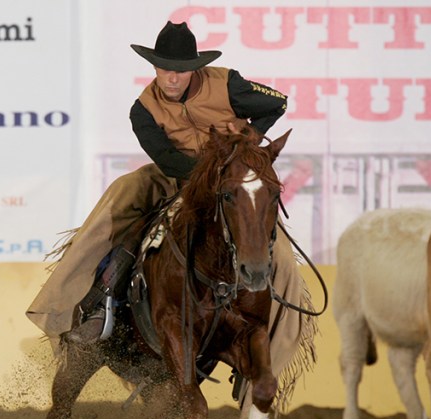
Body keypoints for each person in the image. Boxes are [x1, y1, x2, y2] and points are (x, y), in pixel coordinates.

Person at [27, 22, 315, 394]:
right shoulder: (143, 110)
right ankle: (90, 305)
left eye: (179, 69)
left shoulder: (228, 85)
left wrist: (249, 140)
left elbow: (278, 103)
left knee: (279, 254)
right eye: (164, 68)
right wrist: (204, 176)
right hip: (177, 175)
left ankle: (270, 348)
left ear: (194, 68)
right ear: (155, 68)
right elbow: (164, 159)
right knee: (122, 193)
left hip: (232, 180)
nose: (171, 77)